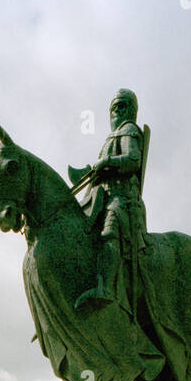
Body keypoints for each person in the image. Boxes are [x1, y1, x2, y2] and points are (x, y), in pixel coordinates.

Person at [72, 88, 148, 313]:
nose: (117, 111)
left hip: (122, 198)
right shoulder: (109, 138)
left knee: (109, 229)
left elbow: (133, 160)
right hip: (101, 196)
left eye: (122, 106)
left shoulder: (129, 130)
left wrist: (107, 162)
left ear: (131, 110)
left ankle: (104, 287)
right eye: (114, 107)